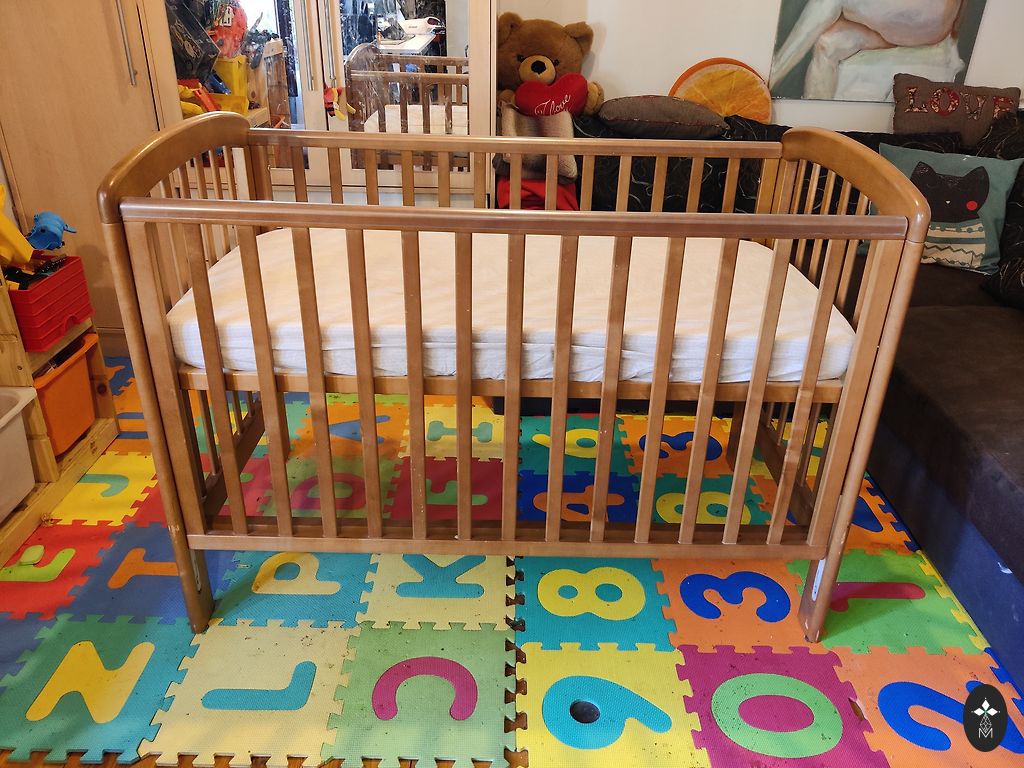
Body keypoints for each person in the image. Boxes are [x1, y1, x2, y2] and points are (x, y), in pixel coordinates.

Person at [771, 0, 965, 99]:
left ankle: (772, 76)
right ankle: (816, 134)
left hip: (929, 12)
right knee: (828, 44)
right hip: (906, 22)